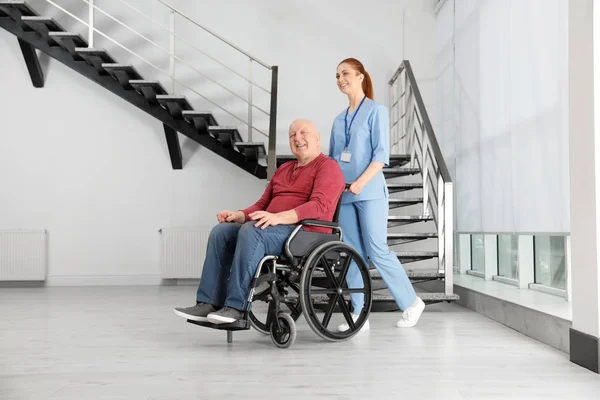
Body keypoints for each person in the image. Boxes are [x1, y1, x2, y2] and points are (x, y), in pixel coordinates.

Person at [174, 119, 345, 325]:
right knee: (222, 232)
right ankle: (208, 303)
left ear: (317, 139)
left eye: (303, 133)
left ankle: (236, 307)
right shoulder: (284, 169)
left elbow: (319, 206)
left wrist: (279, 217)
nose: (297, 138)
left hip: (307, 234)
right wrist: (239, 215)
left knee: (251, 231)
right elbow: (262, 204)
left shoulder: (328, 167)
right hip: (273, 229)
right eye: (292, 135)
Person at [329, 58, 425, 330]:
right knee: (351, 253)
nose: (340, 79)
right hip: (344, 195)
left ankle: (411, 303)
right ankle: (359, 314)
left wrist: (360, 182)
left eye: (345, 73)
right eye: (337, 75)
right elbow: (333, 160)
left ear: (360, 76)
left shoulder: (376, 111)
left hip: (369, 191)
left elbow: (381, 155)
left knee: (377, 249)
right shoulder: (338, 120)